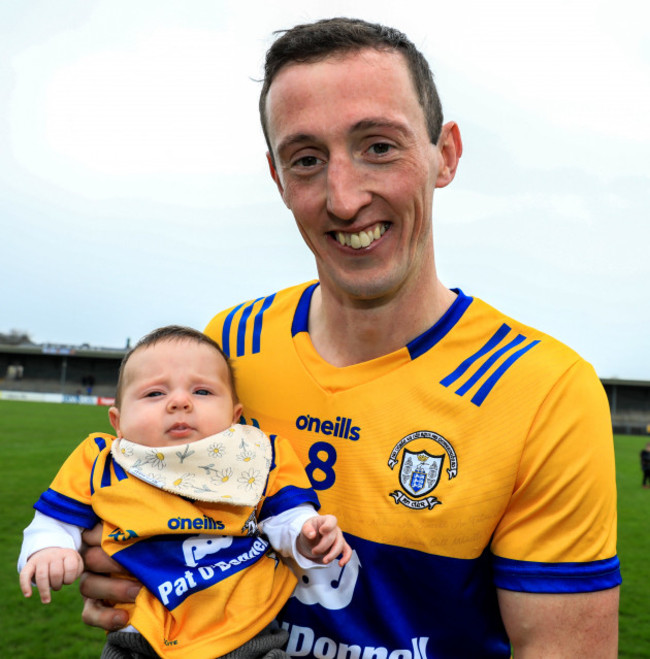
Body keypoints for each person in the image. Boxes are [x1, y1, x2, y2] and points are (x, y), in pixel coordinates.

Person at [79, 17, 621, 658]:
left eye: (379, 147)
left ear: (444, 155)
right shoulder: (226, 349)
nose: (342, 198)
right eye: (306, 160)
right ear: (278, 180)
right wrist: (118, 562)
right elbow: (143, 521)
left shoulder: (543, 391)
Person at [18, 325, 350, 659]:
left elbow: (287, 518)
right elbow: (51, 522)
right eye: (154, 394)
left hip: (248, 636)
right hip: (138, 638)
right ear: (117, 422)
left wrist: (306, 534)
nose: (180, 402)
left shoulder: (258, 456)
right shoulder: (100, 460)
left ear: (235, 415)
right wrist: (48, 549)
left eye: (202, 392)